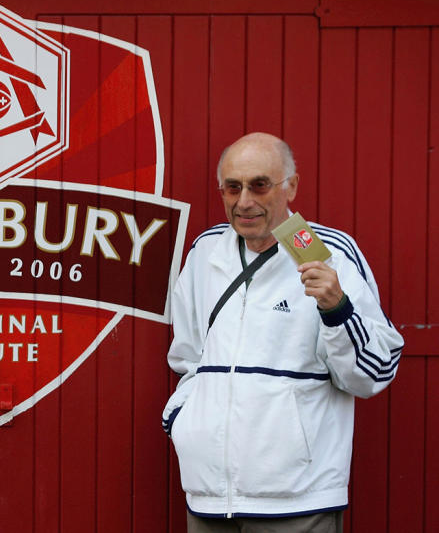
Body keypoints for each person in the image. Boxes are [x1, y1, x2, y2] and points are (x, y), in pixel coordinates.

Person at [161, 133, 403, 532]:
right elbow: (189, 359)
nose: (244, 202)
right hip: (208, 497)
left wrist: (337, 309)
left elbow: (373, 373)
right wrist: (186, 424)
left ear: (291, 186)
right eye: (232, 187)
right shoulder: (205, 253)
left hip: (298, 499)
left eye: (259, 185)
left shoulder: (333, 253)